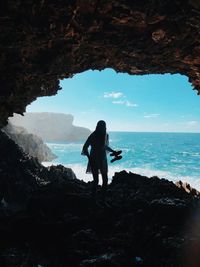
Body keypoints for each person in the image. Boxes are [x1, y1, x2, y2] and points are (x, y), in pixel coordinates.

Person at [81, 120, 116, 201]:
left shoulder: (105, 135)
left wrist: (113, 151)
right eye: (103, 126)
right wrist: (89, 158)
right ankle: (94, 199)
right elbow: (85, 147)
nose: (104, 128)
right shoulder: (93, 135)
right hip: (94, 160)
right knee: (97, 181)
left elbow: (105, 146)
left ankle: (101, 199)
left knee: (104, 180)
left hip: (102, 159)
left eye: (104, 126)